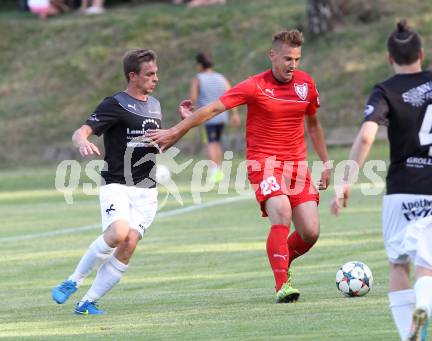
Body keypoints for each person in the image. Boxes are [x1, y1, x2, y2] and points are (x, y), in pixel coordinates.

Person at [148, 30, 331, 303]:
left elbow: (313, 124)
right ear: (272, 55)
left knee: (311, 232)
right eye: (287, 59)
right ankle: (282, 284)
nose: (292, 65)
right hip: (264, 163)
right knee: (280, 211)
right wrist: (177, 129)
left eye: (297, 59)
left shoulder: (306, 84)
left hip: (297, 166)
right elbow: (213, 110)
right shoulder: (254, 86)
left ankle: (281, 258)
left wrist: (326, 162)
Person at [330, 20, 432, 341]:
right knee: (428, 265)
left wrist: (346, 180)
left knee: (398, 263)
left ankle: (408, 335)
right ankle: (423, 310)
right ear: (421, 53)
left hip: (402, 187)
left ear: (389, 58)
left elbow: (366, 135)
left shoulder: (385, 89)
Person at [51, 49, 186, 315]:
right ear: (132, 76)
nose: (155, 78)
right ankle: (73, 281)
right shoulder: (115, 104)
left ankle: (87, 302)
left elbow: (160, 145)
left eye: (156, 73)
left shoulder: (155, 105)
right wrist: (82, 141)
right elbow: (82, 131)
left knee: (129, 245)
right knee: (117, 234)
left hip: (147, 191)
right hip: (117, 184)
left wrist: (182, 125)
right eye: (149, 74)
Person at [190, 52, 241, 182]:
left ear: (200, 65)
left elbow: (193, 98)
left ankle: (214, 172)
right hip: (221, 116)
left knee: (211, 144)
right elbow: (231, 95)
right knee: (216, 143)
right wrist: (234, 114)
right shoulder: (221, 78)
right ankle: (218, 171)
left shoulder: (198, 78)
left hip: (207, 117)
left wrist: (190, 113)